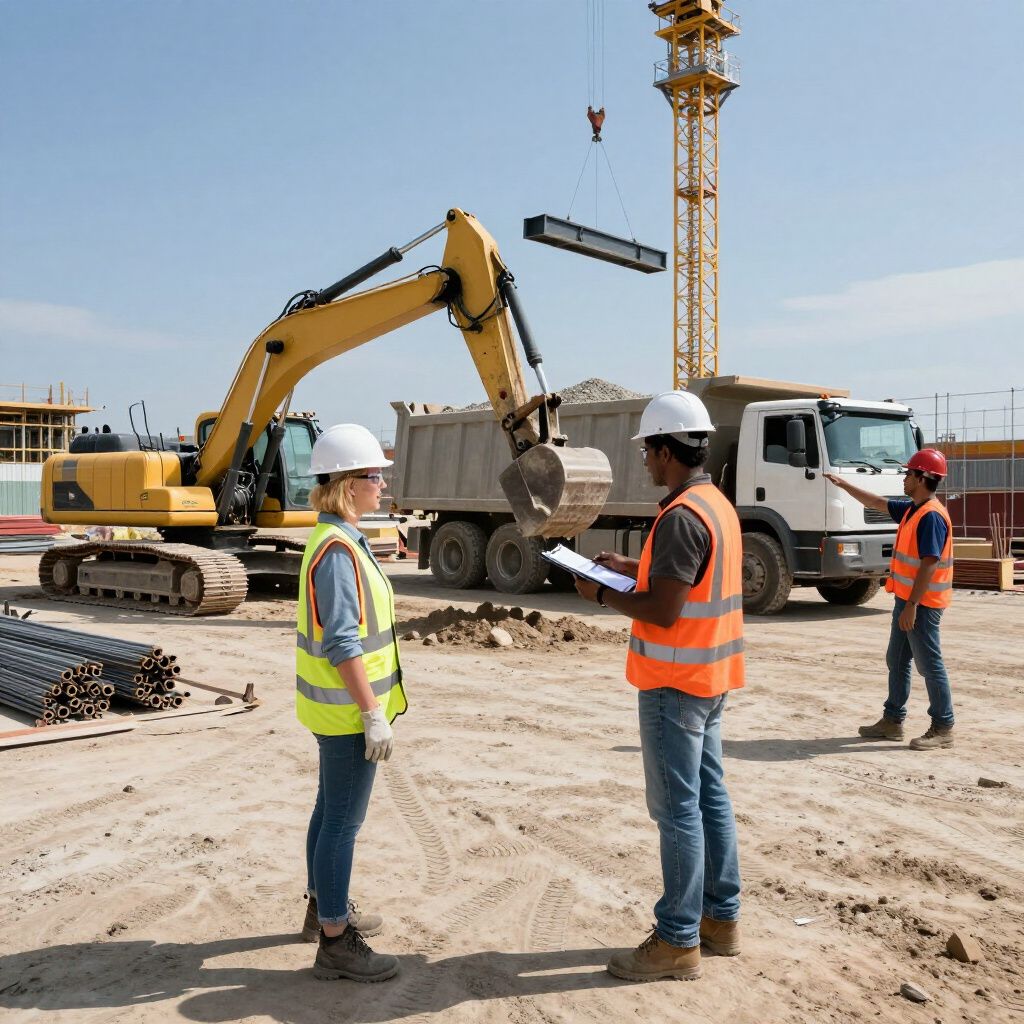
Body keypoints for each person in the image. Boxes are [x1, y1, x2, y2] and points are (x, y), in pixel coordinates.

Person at [575, 390, 744, 982]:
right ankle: (720, 920)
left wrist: (600, 591)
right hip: (709, 676)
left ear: (667, 450)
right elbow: (684, 581)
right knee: (710, 799)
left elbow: (665, 610)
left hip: (675, 681)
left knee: (677, 811)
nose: (645, 460)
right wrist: (629, 569)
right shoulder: (714, 505)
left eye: (648, 450)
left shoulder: (679, 517)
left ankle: (676, 940)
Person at [296, 423, 407, 982]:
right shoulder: (338, 551)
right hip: (346, 713)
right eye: (373, 475)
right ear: (346, 485)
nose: (382, 484)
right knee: (343, 821)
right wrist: (371, 715)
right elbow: (342, 641)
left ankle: (323, 909)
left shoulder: (338, 538)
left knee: (328, 811)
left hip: (333, 710)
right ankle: (336, 941)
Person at [824, 449, 955, 750]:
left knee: (929, 665)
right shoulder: (913, 509)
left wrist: (911, 606)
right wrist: (843, 485)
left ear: (922, 478)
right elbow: (876, 503)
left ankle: (943, 725)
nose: (905, 478)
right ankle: (892, 721)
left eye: (909, 474)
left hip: (922, 605)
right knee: (896, 661)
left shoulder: (931, 516)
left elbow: (930, 563)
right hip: (907, 601)